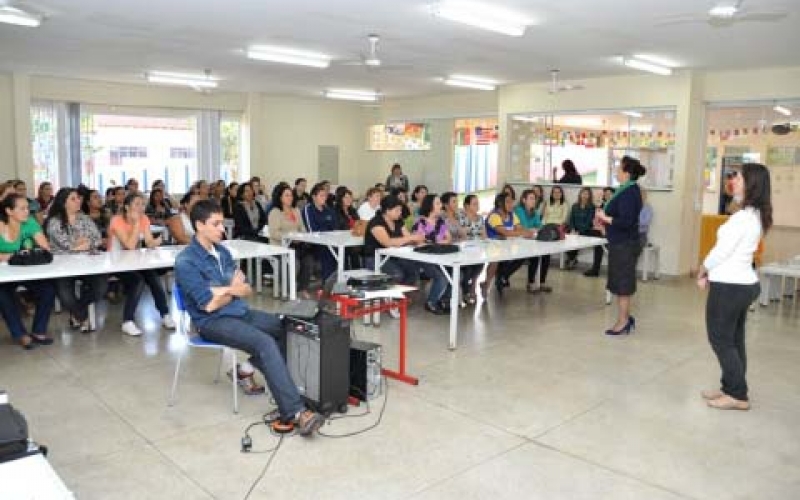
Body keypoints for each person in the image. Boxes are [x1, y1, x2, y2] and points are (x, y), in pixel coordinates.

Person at [174, 199, 325, 434]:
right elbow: (208, 305)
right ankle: (295, 411)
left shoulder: (222, 252)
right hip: (211, 322)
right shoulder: (186, 262)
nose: (222, 229)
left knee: (286, 328)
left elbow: (246, 289)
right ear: (199, 225)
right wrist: (231, 289)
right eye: (216, 224)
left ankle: (244, 370)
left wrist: (225, 290)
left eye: (222, 223)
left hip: (238, 311)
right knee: (264, 342)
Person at [696, 163, 771, 411]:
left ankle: (737, 394)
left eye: (738, 177)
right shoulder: (755, 214)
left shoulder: (743, 217)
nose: (733, 180)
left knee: (720, 339)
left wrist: (703, 268)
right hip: (742, 285)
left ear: (751, 183)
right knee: (734, 340)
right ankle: (731, 386)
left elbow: (722, 251)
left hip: (730, 287)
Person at [108, 193, 176, 336]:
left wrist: (155, 242)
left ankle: (165, 314)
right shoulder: (116, 220)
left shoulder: (144, 219)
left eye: (143, 204)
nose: (141, 208)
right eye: (137, 204)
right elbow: (130, 245)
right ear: (127, 207)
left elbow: (148, 241)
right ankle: (128, 321)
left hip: (135, 262)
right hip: (116, 263)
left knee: (152, 277)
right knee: (137, 281)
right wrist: (137, 224)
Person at [595, 156, 646, 336]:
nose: (616, 171)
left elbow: (626, 221)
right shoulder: (623, 190)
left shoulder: (630, 192)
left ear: (626, 173)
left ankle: (623, 321)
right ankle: (625, 317)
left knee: (623, 285)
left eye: (618, 168)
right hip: (619, 243)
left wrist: (605, 218)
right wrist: (604, 222)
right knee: (618, 283)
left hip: (625, 245)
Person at [45, 188, 108, 333]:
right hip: (63, 265)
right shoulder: (54, 222)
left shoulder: (84, 218)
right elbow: (65, 245)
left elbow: (97, 238)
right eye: (73, 199)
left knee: (101, 287)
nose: (78, 201)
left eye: (78, 198)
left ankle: (76, 314)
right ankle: (82, 316)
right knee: (64, 293)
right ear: (63, 203)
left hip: (88, 262)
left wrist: (82, 244)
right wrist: (80, 243)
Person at [0, 194, 56, 349]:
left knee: (48, 289)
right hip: (3, 275)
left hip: (25, 271)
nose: (27, 212)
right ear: (9, 211)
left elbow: (45, 248)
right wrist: (11, 255)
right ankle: (20, 334)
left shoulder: (30, 223)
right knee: (3, 294)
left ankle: (39, 331)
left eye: (27, 208)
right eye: (22, 208)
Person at [363, 194, 426, 290]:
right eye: (397, 210)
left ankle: (401, 295)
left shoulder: (398, 221)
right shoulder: (376, 222)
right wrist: (410, 238)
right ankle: (390, 297)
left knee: (413, 270)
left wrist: (417, 239)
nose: (400, 213)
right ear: (387, 210)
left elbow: (407, 236)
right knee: (397, 274)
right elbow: (387, 242)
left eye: (400, 210)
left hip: (394, 256)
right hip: (375, 259)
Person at [268, 184, 313, 298]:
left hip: (297, 245)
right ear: (280, 197)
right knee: (295, 263)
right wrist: (289, 237)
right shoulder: (275, 212)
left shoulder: (296, 210)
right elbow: (274, 233)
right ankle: (289, 290)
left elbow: (302, 228)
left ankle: (302, 288)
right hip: (280, 246)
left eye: (291, 195)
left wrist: (301, 236)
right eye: (286, 195)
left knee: (308, 260)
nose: (290, 197)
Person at [486, 193, 534, 296]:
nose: (511, 204)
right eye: (508, 202)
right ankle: (498, 279)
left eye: (512, 201)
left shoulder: (512, 215)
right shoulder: (494, 216)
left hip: (508, 247)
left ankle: (502, 277)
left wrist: (527, 232)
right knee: (500, 259)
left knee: (523, 256)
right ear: (500, 203)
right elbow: (505, 232)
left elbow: (519, 228)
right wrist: (522, 233)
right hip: (493, 248)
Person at [412, 194, 453, 314]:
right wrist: (438, 242)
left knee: (456, 274)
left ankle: (445, 300)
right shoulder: (421, 222)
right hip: (425, 258)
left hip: (440, 256)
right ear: (430, 206)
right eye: (437, 203)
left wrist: (434, 242)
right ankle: (431, 302)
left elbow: (449, 238)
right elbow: (419, 242)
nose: (441, 206)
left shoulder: (440, 221)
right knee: (441, 278)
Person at [302, 183, 337, 282]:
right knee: (328, 252)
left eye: (325, 195)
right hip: (313, 243)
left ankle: (336, 282)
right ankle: (327, 283)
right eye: (321, 195)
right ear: (314, 197)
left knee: (340, 251)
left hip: (329, 241)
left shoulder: (329, 210)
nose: (324, 198)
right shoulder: (308, 209)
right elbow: (312, 230)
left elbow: (334, 228)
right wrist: (326, 233)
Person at [566, 187, 605, 277]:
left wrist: (579, 231)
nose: (584, 195)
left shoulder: (591, 207)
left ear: (589, 196)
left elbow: (589, 222)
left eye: (587, 194)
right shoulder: (575, 206)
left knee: (598, 240)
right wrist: (572, 229)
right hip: (575, 230)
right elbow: (571, 220)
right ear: (580, 194)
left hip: (587, 230)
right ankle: (572, 258)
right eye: (583, 193)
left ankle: (595, 269)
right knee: (566, 236)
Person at [457, 194, 487, 304]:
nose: (477, 206)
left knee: (480, 264)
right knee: (468, 269)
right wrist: (475, 231)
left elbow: (484, 235)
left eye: (478, 203)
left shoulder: (480, 218)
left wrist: (472, 231)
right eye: (474, 204)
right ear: (467, 206)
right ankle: (465, 291)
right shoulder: (461, 218)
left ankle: (473, 286)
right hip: (465, 250)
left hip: (478, 249)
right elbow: (462, 234)